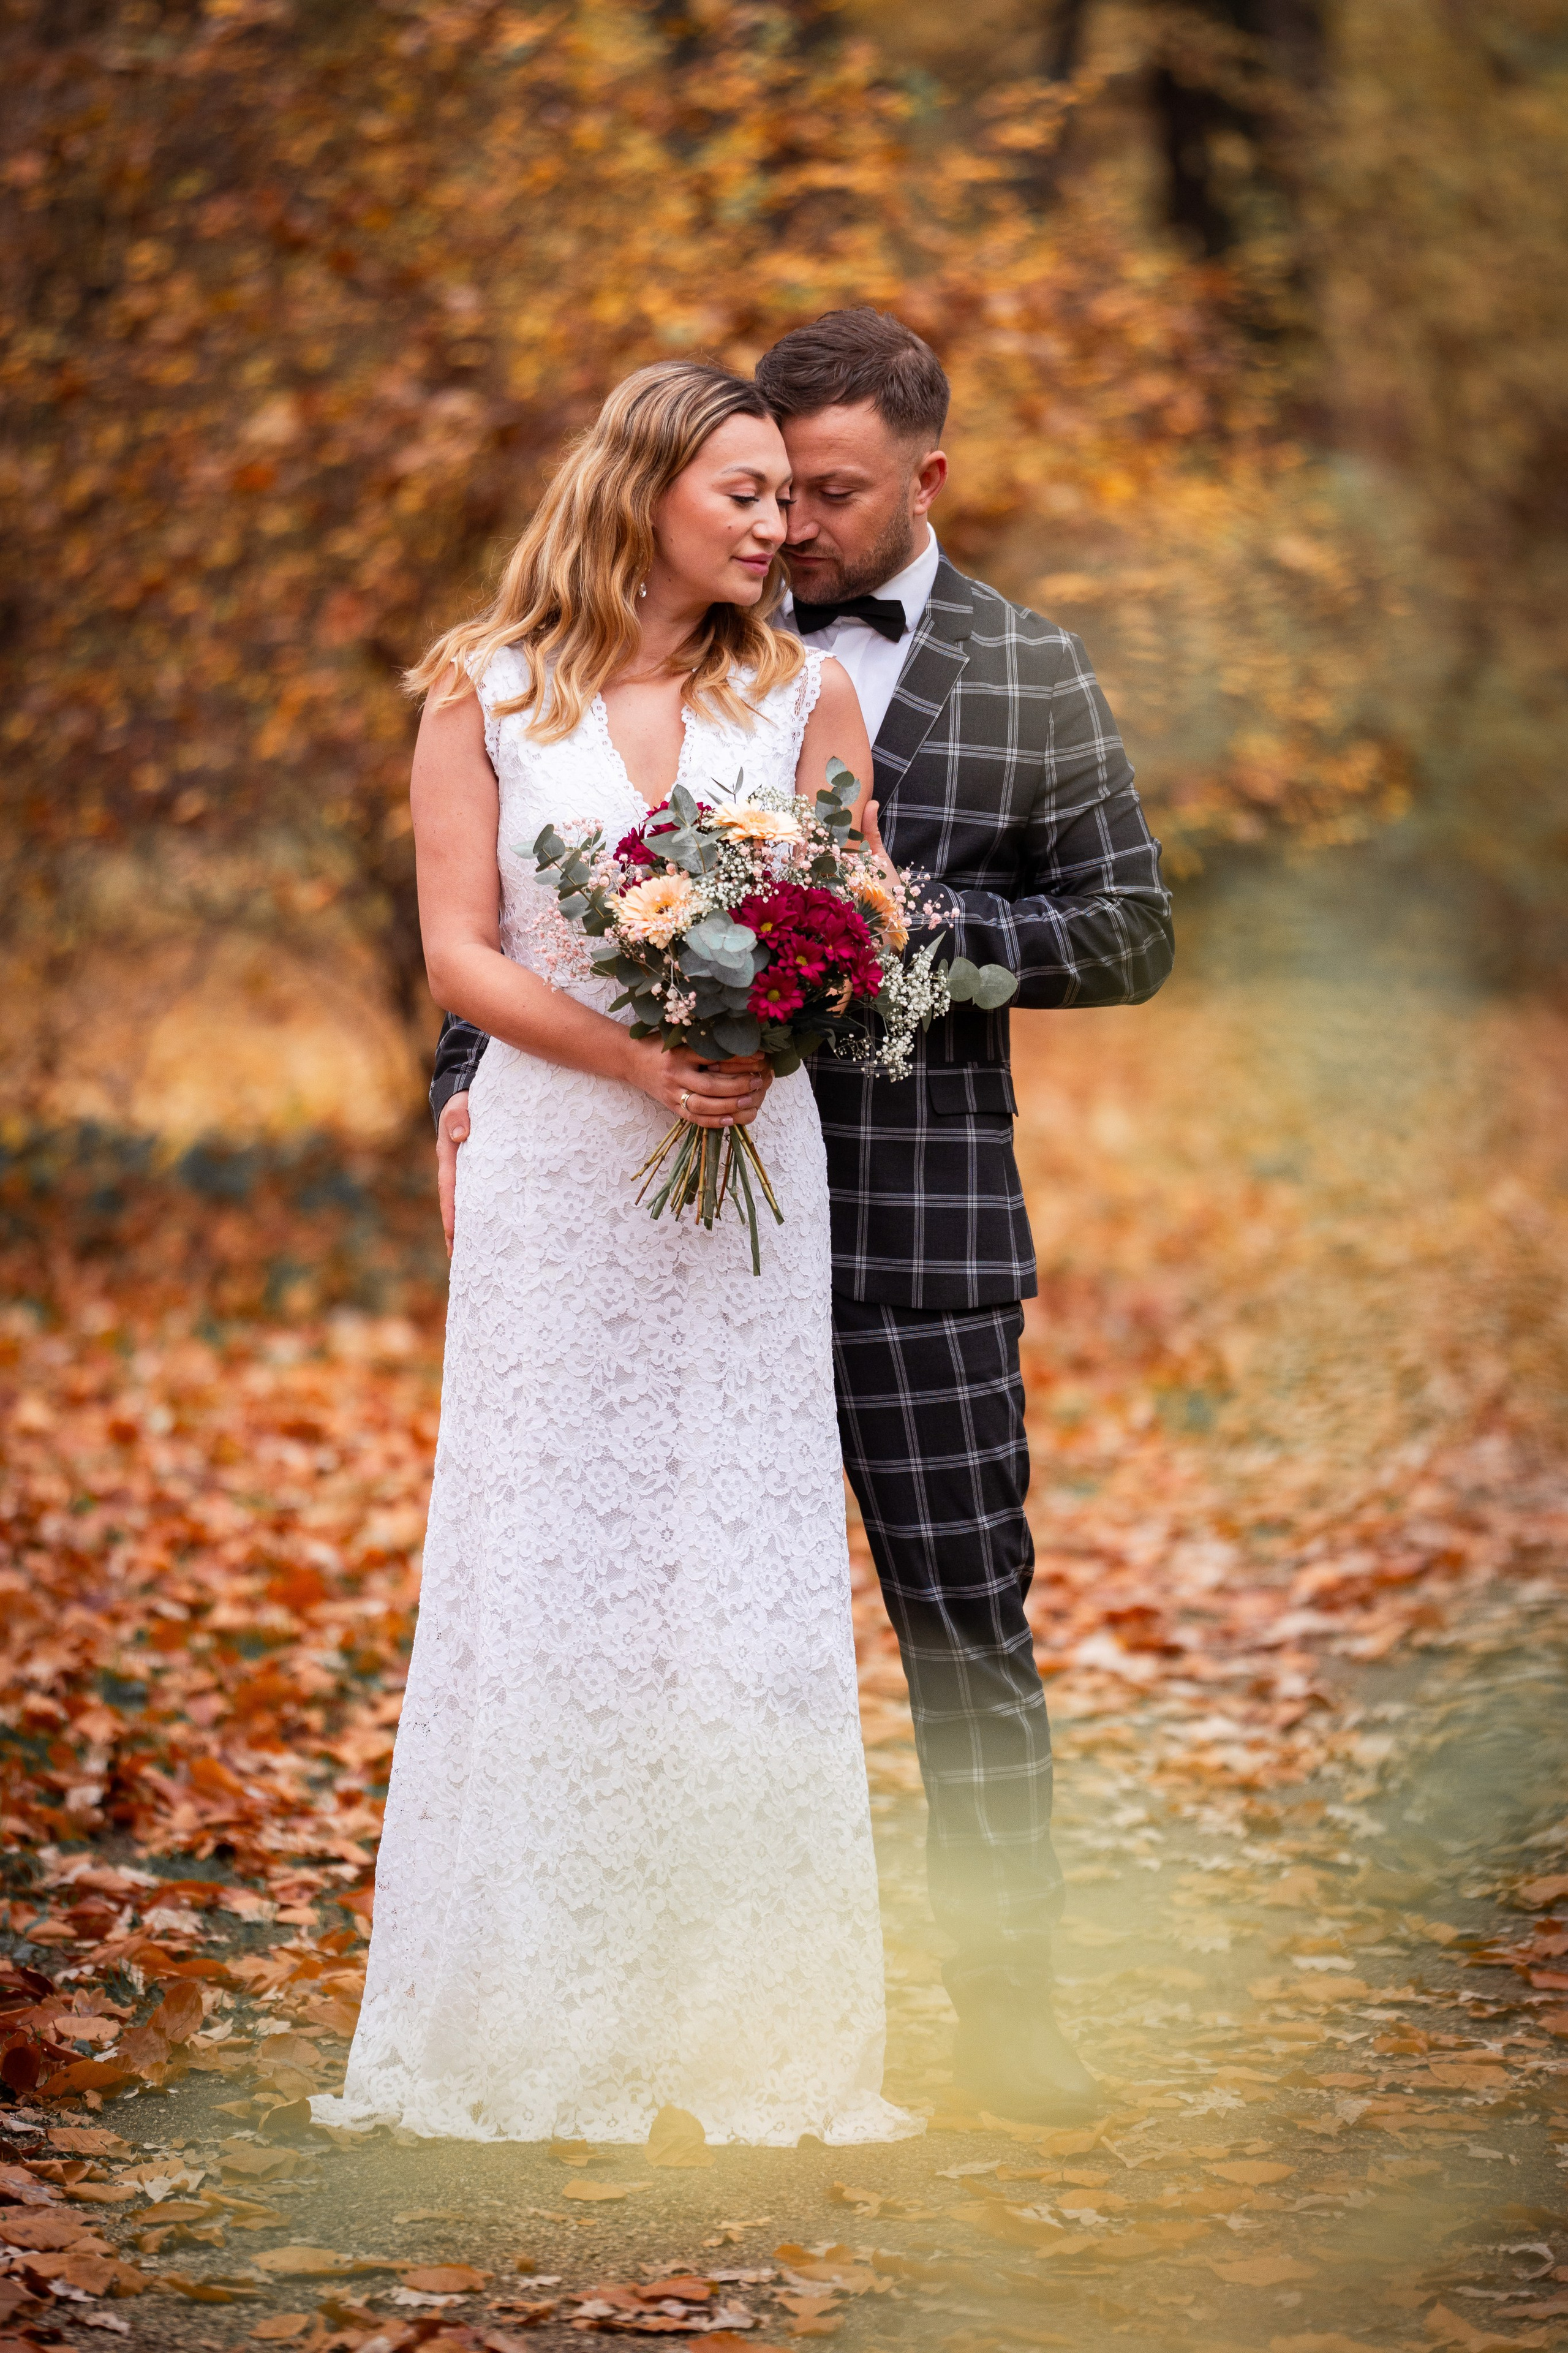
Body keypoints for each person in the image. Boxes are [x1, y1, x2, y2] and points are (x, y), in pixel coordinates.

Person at [431, 312, 1175, 2126]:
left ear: (926, 477)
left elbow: (1133, 929)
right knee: (658, 1613)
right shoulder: (601, 664)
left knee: (964, 1628)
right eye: (770, 488)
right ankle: (629, 1997)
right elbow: (536, 903)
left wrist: (900, 940)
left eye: (831, 493)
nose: (796, 528)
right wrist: (466, 1082)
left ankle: (1009, 2012)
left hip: (916, 1228)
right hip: (652, 1217)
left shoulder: (1027, 667)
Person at [315, 359, 918, 2145]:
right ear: (643, 487)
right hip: (562, 1171)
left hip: (753, 1164)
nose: (779, 523)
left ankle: (747, 2029)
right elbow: (462, 951)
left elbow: (862, 908)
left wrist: (790, 1013)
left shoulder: (802, 692)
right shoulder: (484, 693)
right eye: (746, 491)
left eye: (790, 497)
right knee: (547, 1551)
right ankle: (529, 2014)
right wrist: (638, 1060)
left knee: (735, 1556)